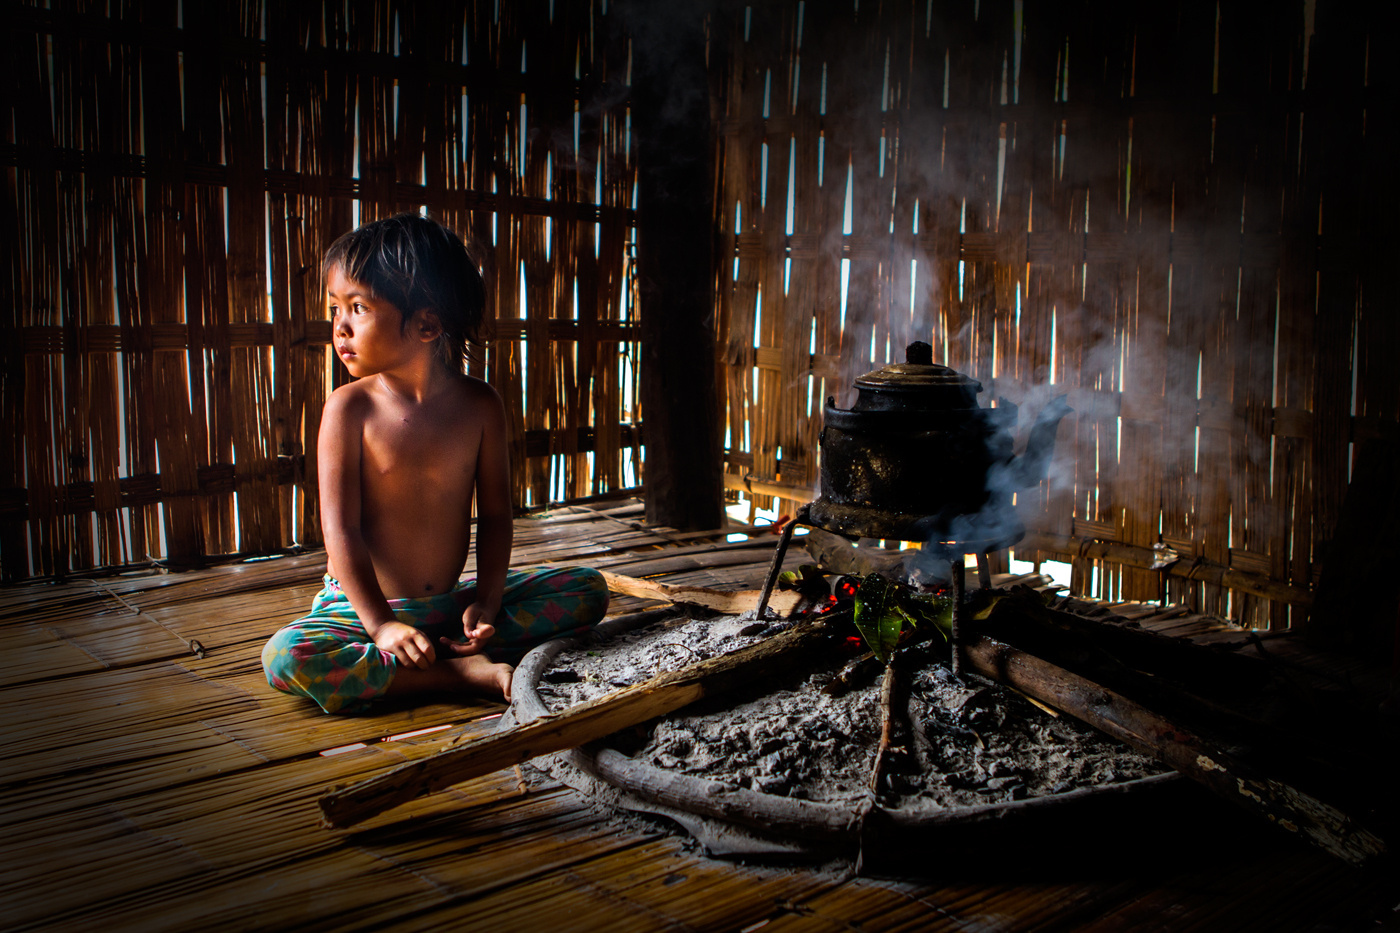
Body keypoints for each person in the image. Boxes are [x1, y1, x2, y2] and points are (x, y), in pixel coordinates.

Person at [261, 213, 609, 714]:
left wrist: (486, 604)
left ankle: (441, 650)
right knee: (286, 657)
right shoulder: (348, 409)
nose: (339, 326)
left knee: (587, 590)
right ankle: (454, 672)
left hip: (448, 609)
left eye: (358, 308)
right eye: (335, 307)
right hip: (358, 612)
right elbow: (340, 531)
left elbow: (493, 517)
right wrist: (381, 625)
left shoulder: (480, 406)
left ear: (426, 324)